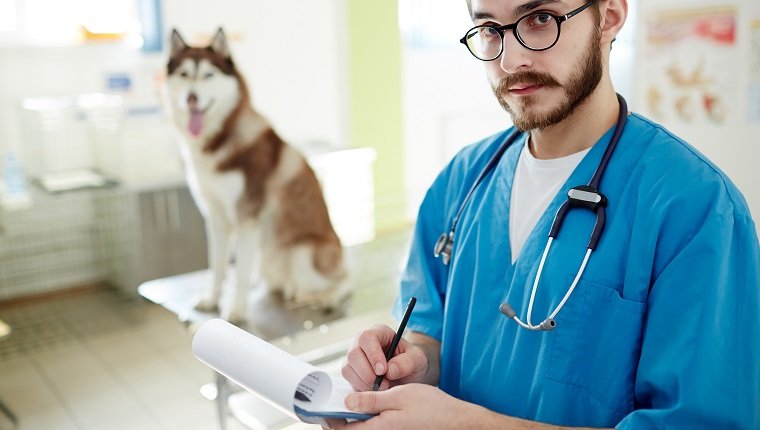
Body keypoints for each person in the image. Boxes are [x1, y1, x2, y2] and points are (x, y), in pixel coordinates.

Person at [334, 0, 760, 428]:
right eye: (489, 30)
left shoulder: (695, 207)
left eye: (540, 19)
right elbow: (432, 332)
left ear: (609, 16)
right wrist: (414, 363)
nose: (510, 59)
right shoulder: (462, 180)